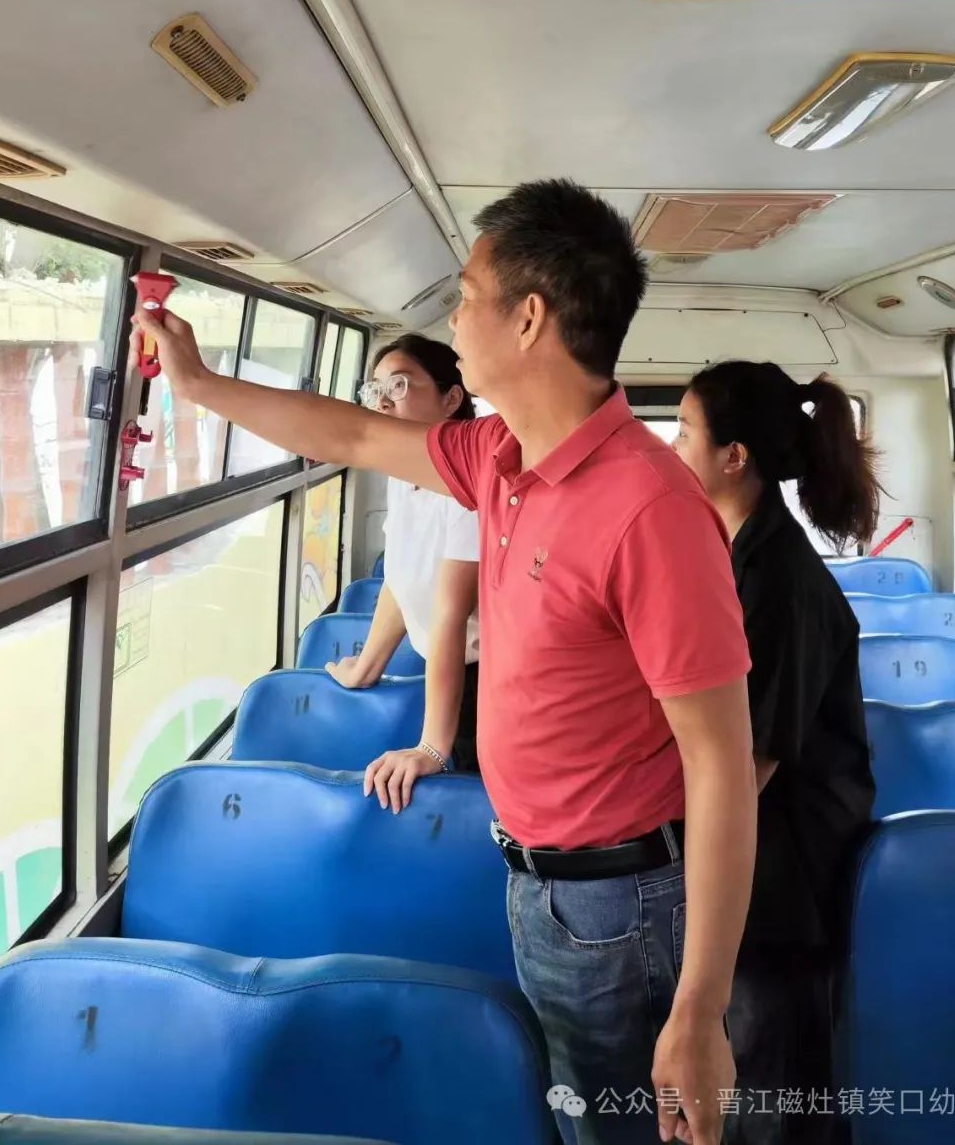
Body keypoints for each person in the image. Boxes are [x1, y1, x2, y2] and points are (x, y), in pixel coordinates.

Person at [133, 178, 757, 1145]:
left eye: (465, 296)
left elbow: (722, 767)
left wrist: (702, 1008)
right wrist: (201, 387)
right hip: (536, 877)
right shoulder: (499, 455)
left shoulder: (651, 512)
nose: (451, 317)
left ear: (531, 319)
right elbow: (349, 433)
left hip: (623, 906)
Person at [672, 361, 880, 1145]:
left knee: (771, 1089)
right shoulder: (734, 551)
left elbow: (747, 765)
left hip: (784, 874)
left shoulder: (780, 579)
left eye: (686, 429)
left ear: (735, 457)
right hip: (757, 856)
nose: (673, 445)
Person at [329, 333, 482, 800]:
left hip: (490, 679)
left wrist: (432, 747)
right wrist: (366, 667)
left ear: (451, 398)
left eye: (398, 385)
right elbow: (400, 576)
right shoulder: (406, 471)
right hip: (446, 664)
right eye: (375, 389)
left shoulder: (469, 487)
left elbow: (450, 619)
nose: (382, 402)